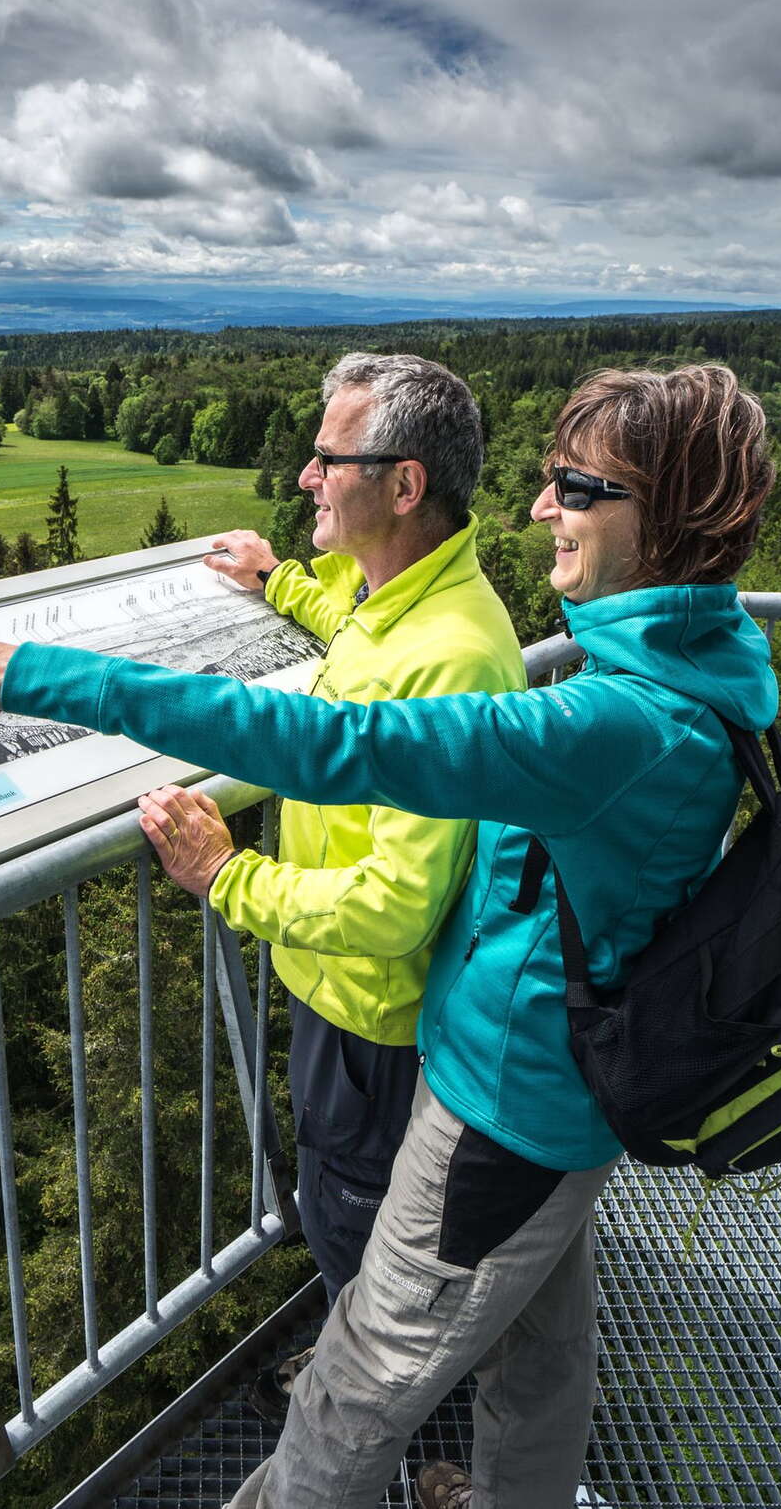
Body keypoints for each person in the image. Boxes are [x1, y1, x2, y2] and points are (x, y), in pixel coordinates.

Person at [0, 363, 778, 1509]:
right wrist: (293, 585)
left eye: (573, 486)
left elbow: (332, 743)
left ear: (659, 518)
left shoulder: (614, 721)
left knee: (353, 1391)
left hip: (504, 1103)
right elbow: (381, 655)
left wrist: (43, 676)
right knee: (543, 1357)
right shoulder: (695, 661)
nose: (538, 509)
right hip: (573, 1088)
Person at [189, 353, 526, 1420]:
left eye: (329, 459)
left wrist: (228, 875)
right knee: (347, 1214)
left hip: (372, 1024)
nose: (304, 477)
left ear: (404, 485)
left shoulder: (453, 657)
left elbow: (389, 912)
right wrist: (274, 581)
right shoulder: (409, 605)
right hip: (342, 1002)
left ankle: (390, 1425)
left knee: (358, 1227)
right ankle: (367, 1371)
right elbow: (359, 638)